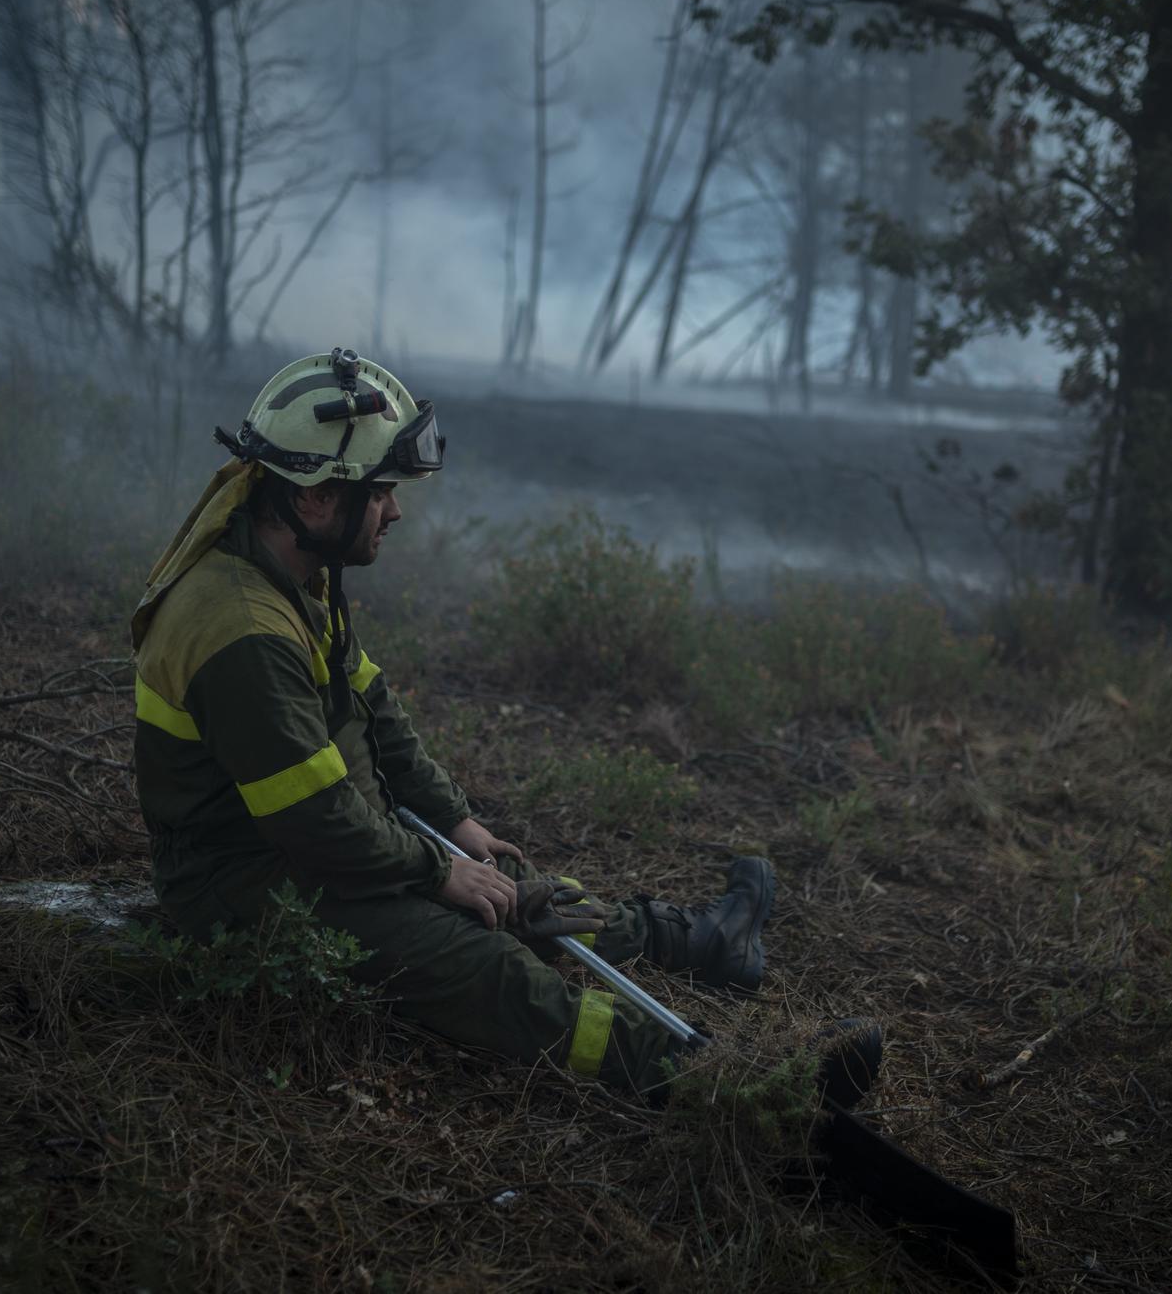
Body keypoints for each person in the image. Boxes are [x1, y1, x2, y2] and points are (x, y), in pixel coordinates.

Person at [130, 349, 875, 1099]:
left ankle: (704, 939)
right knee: (488, 963)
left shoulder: (290, 569)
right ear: (318, 498)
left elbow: (373, 709)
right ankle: (723, 1085)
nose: (395, 511)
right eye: (382, 491)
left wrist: (455, 824)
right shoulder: (241, 630)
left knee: (521, 893)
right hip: (245, 880)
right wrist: (435, 871)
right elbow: (315, 822)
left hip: (326, 841)